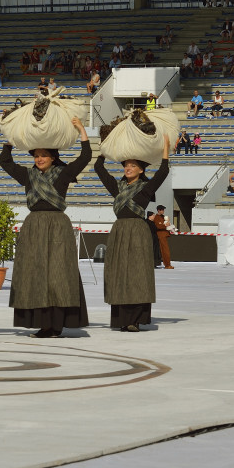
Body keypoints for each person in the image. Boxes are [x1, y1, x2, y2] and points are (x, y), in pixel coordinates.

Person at [0, 118, 91, 338]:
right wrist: (11, 137)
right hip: (34, 227)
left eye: (44, 155)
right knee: (36, 275)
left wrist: (81, 129)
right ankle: (44, 324)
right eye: (36, 155)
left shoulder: (64, 173)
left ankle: (56, 325)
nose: (39, 159)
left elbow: (85, 157)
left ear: (53, 157)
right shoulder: (28, 175)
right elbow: (5, 162)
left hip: (57, 226)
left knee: (58, 275)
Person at [94, 138, 171, 332]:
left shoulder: (146, 188)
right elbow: (98, 168)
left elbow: (163, 172)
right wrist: (105, 149)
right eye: (126, 165)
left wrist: (166, 148)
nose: (128, 168)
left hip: (138, 232)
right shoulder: (117, 188)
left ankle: (135, 320)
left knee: (137, 275)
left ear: (141, 170)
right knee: (119, 274)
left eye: (133, 165)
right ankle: (122, 319)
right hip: (119, 232)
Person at [152, 205, 175, 270]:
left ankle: (168, 264)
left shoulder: (163, 217)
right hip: (161, 235)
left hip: (164, 235)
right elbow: (158, 226)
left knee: (165, 250)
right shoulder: (156, 217)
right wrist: (165, 226)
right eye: (162, 210)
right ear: (158, 210)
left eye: (163, 210)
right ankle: (167, 264)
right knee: (165, 250)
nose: (163, 211)